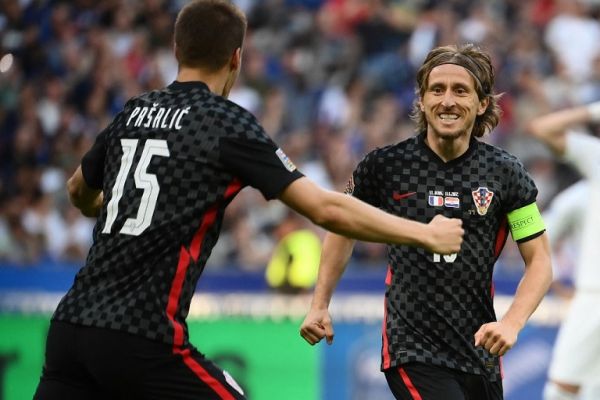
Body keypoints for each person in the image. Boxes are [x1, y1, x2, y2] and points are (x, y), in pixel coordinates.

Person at [33, 1, 464, 399]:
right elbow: (325, 208)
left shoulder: (133, 110)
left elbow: (77, 190)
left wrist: (105, 208)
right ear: (236, 58)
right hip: (141, 335)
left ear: (176, 48)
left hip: (69, 329)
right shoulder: (224, 123)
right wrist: (424, 233)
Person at [300, 43, 553, 400]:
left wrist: (511, 323)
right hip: (412, 350)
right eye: (437, 90)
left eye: (460, 90)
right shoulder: (385, 166)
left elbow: (540, 261)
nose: (447, 101)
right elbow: (342, 224)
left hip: (479, 353)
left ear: (482, 104)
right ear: (421, 100)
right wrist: (319, 303)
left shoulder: (505, 173)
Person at [526, 102, 600, 400]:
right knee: (568, 388)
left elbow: (543, 128)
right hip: (593, 295)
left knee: (572, 388)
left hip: (592, 296)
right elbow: (542, 129)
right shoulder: (594, 166)